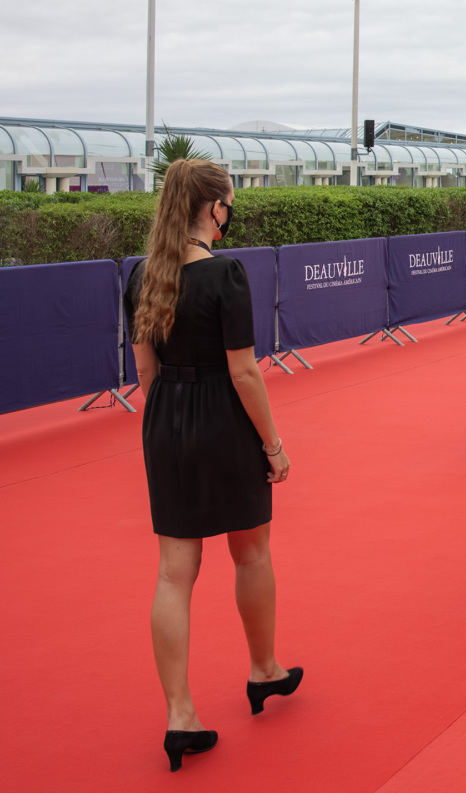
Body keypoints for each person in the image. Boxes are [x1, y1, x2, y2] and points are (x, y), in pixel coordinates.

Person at [124, 159, 299, 772]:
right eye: (230, 202)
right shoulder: (226, 273)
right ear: (212, 206)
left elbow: (144, 372)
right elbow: (244, 370)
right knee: (251, 551)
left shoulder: (143, 274)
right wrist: (273, 446)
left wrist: (172, 422)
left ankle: (179, 715)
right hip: (224, 424)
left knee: (175, 572)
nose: (232, 213)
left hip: (165, 424)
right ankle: (263, 669)